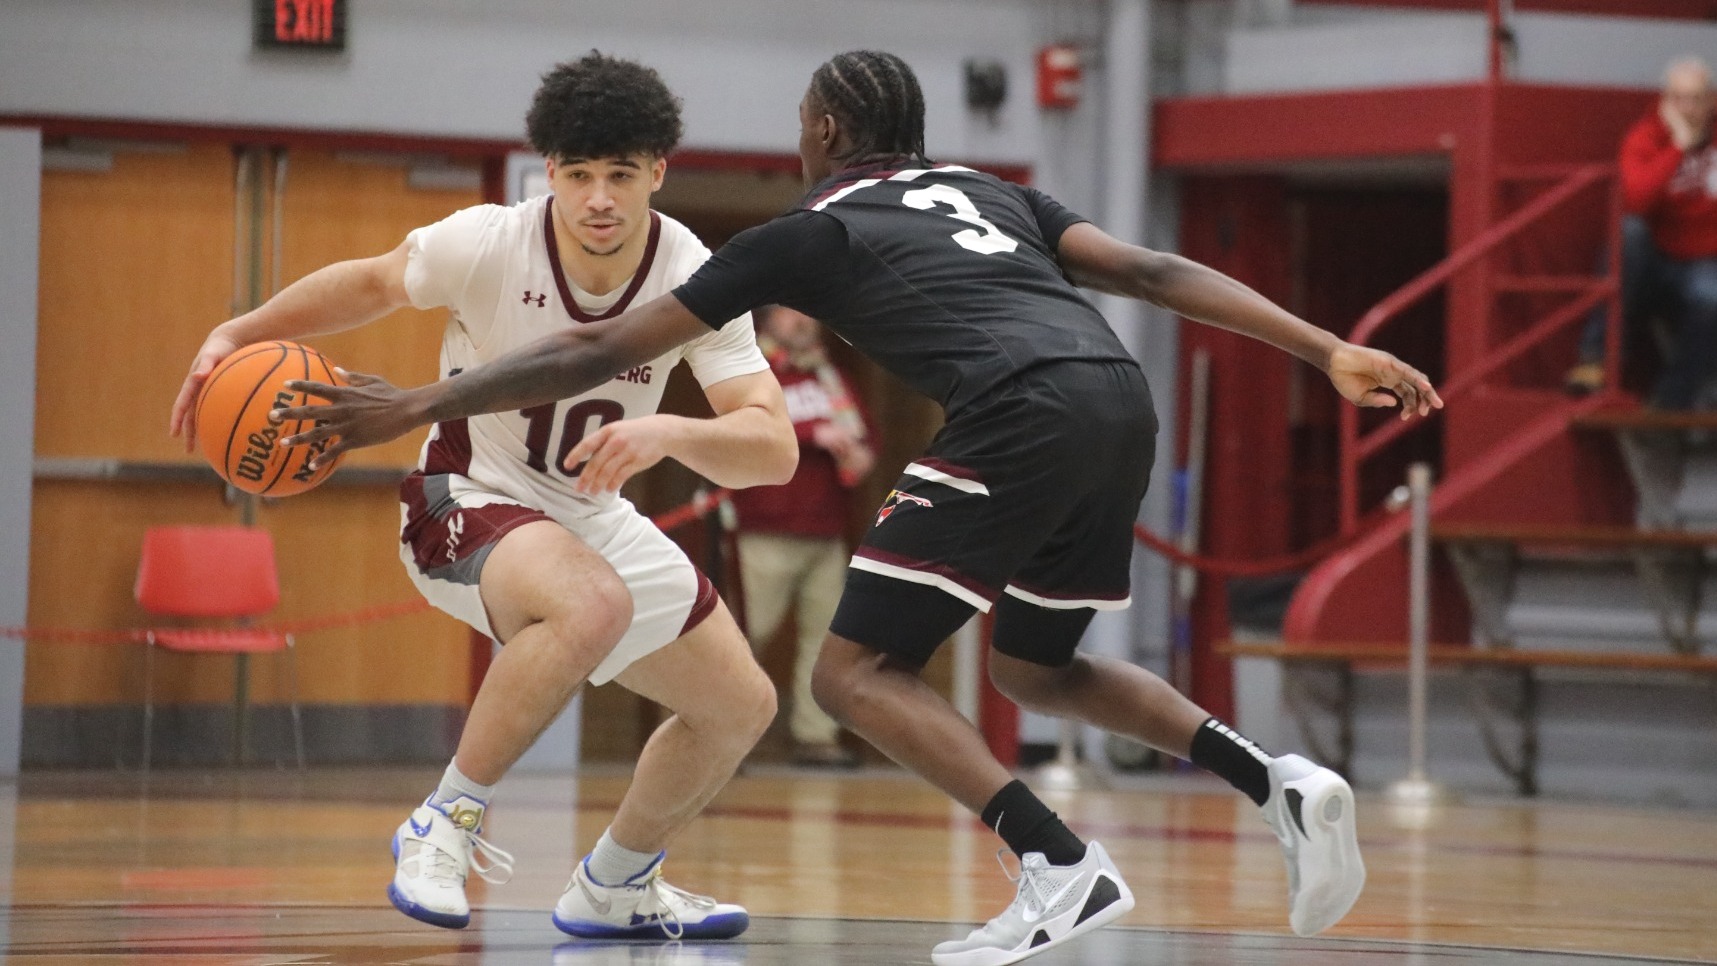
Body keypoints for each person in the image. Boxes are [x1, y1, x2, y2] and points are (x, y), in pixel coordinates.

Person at [273, 50, 1443, 965]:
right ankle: (1272, 779)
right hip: (1116, 398)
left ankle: (1057, 865)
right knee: (1035, 668)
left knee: (850, 675)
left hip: (1017, 412)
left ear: (825, 134)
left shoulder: (810, 232)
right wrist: (1321, 345)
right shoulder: (994, 192)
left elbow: (599, 350)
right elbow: (1147, 272)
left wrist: (413, 401)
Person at [168, 53, 797, 941]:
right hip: (462, 493)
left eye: (621, 175)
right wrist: (235, 330)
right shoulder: (489, 241)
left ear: (659, 170)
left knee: (741, 704)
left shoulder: (694, 273)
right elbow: (374, 281)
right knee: (591, 604)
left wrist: (670, 433)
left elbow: (771, 449)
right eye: (578, 176)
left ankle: (617, 881)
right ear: (550, 173)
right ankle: (444, 821)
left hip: (588, 517)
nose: (600, 199)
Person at [731, 305, 876, 768]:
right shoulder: (749, 370)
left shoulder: (829, 376)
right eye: (791, 312)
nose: (802, 320)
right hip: (762, 531)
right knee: (740, 637)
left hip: (826, 532)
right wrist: (815, 433)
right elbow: (742, 431)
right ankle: (720, 737)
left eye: (809, 313)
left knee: (824, 641)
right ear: (769, 318)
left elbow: (864, 438)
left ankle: (815, 738)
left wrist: (860, 451)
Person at [1567, 56, 1717, 409]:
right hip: (1652, 261)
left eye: (1697, 98)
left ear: (1712, 100)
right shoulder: (1645, 137)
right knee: (1629, 233)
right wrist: (1677, 146)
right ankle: (1595, 359)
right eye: (1680, 98)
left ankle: (1672, 401)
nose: (1689, 107)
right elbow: (1636, 200)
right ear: (1666, 100)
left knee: (1711, 297)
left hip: (1703, 261)